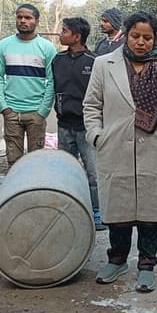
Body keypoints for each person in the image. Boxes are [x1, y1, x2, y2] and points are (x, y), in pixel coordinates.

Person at [83, 11, 157, 293]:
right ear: (126, 35)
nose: (141, 42)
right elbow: (91, 105)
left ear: (155, 39)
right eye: (136, 36)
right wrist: (96, 135)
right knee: (118, 210)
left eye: (147, 37)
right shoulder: (104, 64)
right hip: (114, 147)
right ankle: (117, 260)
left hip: (156, 147)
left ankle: (147, 265)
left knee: (151, 212)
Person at [53, 17, 105, 231]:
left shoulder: (95, 62)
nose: (61, 34)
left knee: (93, 174)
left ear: (77, 36)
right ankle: (66, 212)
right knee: (64, 173)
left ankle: (97, 213)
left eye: (64, 31)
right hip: (64, 126)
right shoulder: (57, 60)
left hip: (88, 128)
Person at [0, 4, 57, 166]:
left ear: (37, 21)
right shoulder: (4, 45)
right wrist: (4, 107)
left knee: (36, 162)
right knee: (14, 162)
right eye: (19, 17)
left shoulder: (47, 47)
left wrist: (43, 111)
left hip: (36, 113)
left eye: (28, 18)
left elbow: (52, 81)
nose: (23, 21)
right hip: (12, 113)